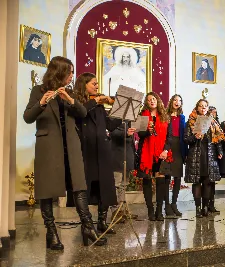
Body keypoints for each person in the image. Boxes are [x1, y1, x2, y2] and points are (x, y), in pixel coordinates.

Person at [23, 56, 106, 249]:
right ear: (59, 72)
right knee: (46, 190)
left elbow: (83, 113)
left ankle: (88, 228)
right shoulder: (39, 91)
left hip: (71, 146)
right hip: (49, 147)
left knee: (79, 187)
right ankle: (51, 233)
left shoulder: (69, 92)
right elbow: (28, 117)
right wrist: (41, 103)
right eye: (69, 72)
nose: (71, 76)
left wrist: (70, 100)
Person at [74, 72, 121, 235]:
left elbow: (109, 124)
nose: (97, 86)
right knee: (86, 187)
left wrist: (122, 112)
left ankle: (102, 221)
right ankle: (86, 223)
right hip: (85, 149)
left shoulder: (100, 106)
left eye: (97, 83)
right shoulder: (77, 102)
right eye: (94, 83)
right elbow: (81, 113)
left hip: (102, 149)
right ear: (84, 84)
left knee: (106, 186)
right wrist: (96, 100)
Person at [184, 99, 224, 217]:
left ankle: (205, 207)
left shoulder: (212, 121)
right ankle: (197, 208)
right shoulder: (190, 121)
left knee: (207, 181)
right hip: (195, 154)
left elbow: (217, 139)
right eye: (201, 106)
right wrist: (195, 137)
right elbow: (186, 139)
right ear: (197, 108)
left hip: (209, 154)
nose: (203, 108)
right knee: (197, 182)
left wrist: (220, 151)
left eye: (205, 106)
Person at [137, 92, 169, 221]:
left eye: (154, 99)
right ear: (146, 102)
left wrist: (166, 150)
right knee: (147, 179)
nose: (152, 101)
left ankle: (159, 211)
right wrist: (147, 131)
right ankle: (150, 210)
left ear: (158, 101)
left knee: (161, 180)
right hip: (146, 152)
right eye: (149, 99)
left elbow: (169, 136)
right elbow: (140, 135)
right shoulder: (142, 115)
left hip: (161, 153)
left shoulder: (164, 116)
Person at [163, 94, 188, 217]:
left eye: (179, 100)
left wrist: (185, 153)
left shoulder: (182, 117)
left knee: (177, 177)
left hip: (179, 147)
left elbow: (184, 135)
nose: (177, 102)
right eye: (175, 100)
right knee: (167, 177)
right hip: (168, 146)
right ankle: (167, 205)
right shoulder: (166, 116)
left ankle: (174, 204)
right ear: (171, 102)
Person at [109, 121, 139, 223]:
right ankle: (115, 211)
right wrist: (126, 133)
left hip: (128, 154)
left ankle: (122, 210)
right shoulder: (115, 116)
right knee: (116, 185)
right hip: (117, 155)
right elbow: (112, 132)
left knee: (123, 185)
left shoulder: (131, 118)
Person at [207, 106, 220, 213]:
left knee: (212, 180)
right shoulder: (205, 123)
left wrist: (220, 152)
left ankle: (212, 204)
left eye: (215, 113)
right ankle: (205, 204)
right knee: (206, 180)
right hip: (206, 153)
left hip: (214, 154)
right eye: (211, 112)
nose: (213, 114)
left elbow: (219, 140)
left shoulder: (217, 124)